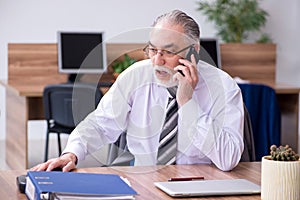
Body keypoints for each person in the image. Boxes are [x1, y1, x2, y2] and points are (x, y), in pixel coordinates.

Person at [31, 10, 244, 172]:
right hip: (146, 181)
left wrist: (188, 103)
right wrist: (72, 153)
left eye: (168, 52)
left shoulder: (223, 87)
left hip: (203, 184)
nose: (156, 61)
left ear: (193, 52)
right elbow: (100, 123)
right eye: (152, 49)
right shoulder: (136, 76)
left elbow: (228, 159)